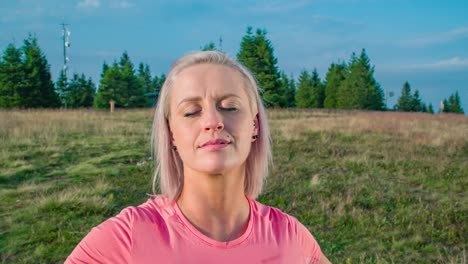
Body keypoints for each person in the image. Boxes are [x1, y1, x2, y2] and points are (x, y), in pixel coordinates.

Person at [65, 51, 331, 264]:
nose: (213, 121)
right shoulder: (127, 236)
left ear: (255, 125)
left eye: (230, 107)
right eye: (191, 112)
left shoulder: (289, 237)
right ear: (170, 134)